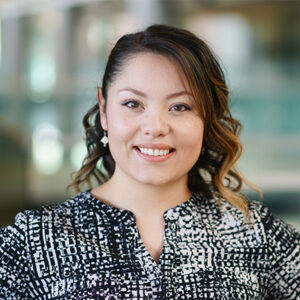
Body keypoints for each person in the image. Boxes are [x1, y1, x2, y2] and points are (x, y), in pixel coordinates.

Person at [0, 24, 299, 300]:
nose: (155, 126)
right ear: (104, 109)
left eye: (180, 106)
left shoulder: (254, 232)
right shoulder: (33, 240)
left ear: (207, 119)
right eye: (133, 104)